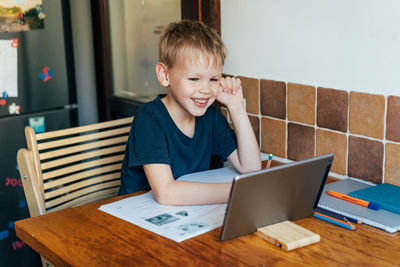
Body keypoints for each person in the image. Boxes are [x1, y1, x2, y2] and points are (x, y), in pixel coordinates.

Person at [119, 20, 261, 205]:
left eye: (213, 79)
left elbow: (250, 168)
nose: (206, 90)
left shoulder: (210, 116)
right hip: (134, 218)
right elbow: (166, 193)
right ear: (164, 74)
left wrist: (236, 107)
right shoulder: (149, 118)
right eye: (194, 78)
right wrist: (238, 191)